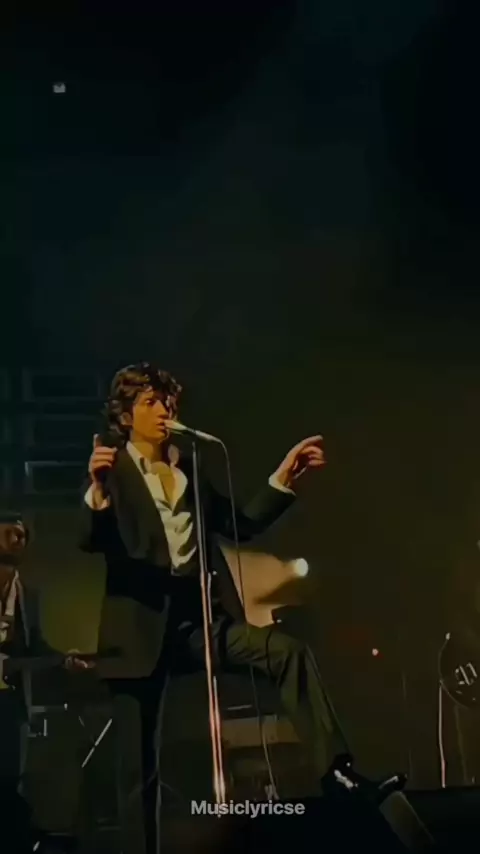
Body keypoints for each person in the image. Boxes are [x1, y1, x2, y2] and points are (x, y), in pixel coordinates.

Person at [79, 362, 378, 854]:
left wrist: (284, 476)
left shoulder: (189, 470)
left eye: (168, 402)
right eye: (151, 403)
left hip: (198, 622)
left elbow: (242, 523)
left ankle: (337, 773)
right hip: (137, 632)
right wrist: (97, 493)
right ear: (125, 416)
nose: (164, 411)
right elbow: (91, 540)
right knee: (138, 771)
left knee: (286, 651)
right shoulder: (113, 471)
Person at [0, 512, 89, 851]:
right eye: (9, 532)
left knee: (10, 781)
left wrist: (64, 660)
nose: (17, 539)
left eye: (22, 535)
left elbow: (35, 647)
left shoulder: (28, 595)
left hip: (10, 705)